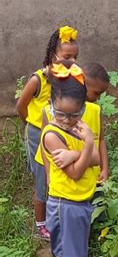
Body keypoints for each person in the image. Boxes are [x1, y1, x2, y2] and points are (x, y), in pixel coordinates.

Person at [39, 61, 111, 257]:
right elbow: (76, 170)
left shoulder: (91, 113)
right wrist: (86, 148)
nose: (67, 120)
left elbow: (97, 153)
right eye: (61, 114)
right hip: (65, 198)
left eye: (73, 115)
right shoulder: (54, 129)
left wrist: (77, 154)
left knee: (68, 254)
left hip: (80, 196)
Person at [16, 25, 79, 241]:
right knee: (43, 177)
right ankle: (40, 225)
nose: (71, 61)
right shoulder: (38, 80)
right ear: (53, 55)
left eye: (75, 57)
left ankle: (58, 215)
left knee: (58, 173)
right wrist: (33, 126)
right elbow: (20, 107)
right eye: (66, 56)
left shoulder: (69, 79)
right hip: (38, 134)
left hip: (60, 133)